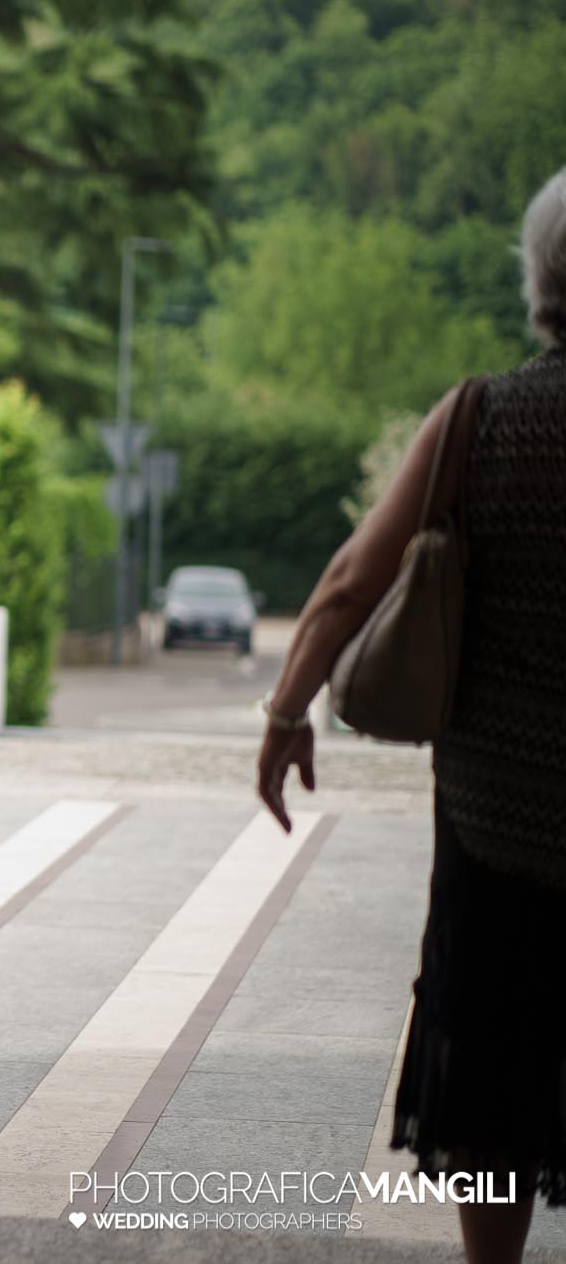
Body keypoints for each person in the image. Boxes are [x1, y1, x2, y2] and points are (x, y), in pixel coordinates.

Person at [258, 167, 566, 1264]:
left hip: (495, 825)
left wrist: (287, 711)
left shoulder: (477, 419)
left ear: (535, 281)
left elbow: (350, 580)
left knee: (488, 1072)